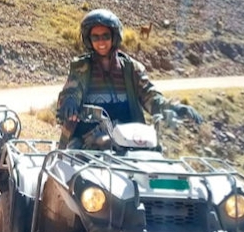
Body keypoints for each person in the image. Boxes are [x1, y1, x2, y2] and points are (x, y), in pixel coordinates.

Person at [56, 9, 203, 148]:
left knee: (154, 157)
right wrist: (69, 102)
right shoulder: (81, 67)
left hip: (128, 139)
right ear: (89, 40)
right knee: (69, 164)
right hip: (87, 138)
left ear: (114, 37)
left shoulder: (131, 68)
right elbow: (72, 90)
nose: (101, 42)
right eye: (95, 37)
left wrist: (173, 107)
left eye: (105, 36)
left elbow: (150, 96)